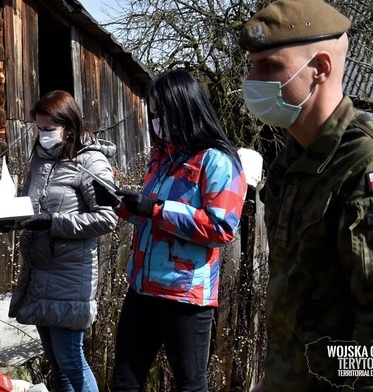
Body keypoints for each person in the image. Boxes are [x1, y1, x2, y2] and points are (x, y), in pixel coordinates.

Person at [239, 0, 373, 390]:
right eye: (253, 65)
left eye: (270, 66)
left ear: (320, 68)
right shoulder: (290, 165)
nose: (252, 79)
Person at [94, 69, 247, 392]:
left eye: (161, 114)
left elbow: (221, 227)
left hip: (185, 293)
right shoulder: (161, 157)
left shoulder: (218, 161)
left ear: (184, 109)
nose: (156, 122)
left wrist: (155, 209)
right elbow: (148, 217)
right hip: (142, 286)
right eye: (153, 115)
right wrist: (119, 202)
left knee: (190, 385)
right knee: (124, 382)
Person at [2, 90, 118, 392]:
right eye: (39, 128)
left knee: (71, 359)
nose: (42, 135)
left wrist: (53, 223)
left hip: (70, 275)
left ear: (69, 126)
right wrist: (10, 219)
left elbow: (108, 218)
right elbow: (35, 205)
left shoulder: (90, 161)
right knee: (57, 363)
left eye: (48, 129)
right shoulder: (41, 159)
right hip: (40, 272)